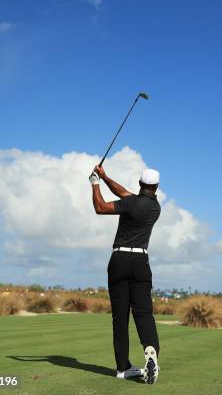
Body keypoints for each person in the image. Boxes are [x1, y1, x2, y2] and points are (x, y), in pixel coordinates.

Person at [89, 165, 161, 385]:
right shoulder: (154, 207)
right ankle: (150, 348)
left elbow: (100, 207)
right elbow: (123, 192)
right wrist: (105, 176)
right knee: (143, 313)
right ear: (156, 187)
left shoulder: (130, 202)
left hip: (119, 260)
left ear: (140, 184)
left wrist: (94, 184)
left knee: (120, 318)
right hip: (140, 261)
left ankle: (122, 368)